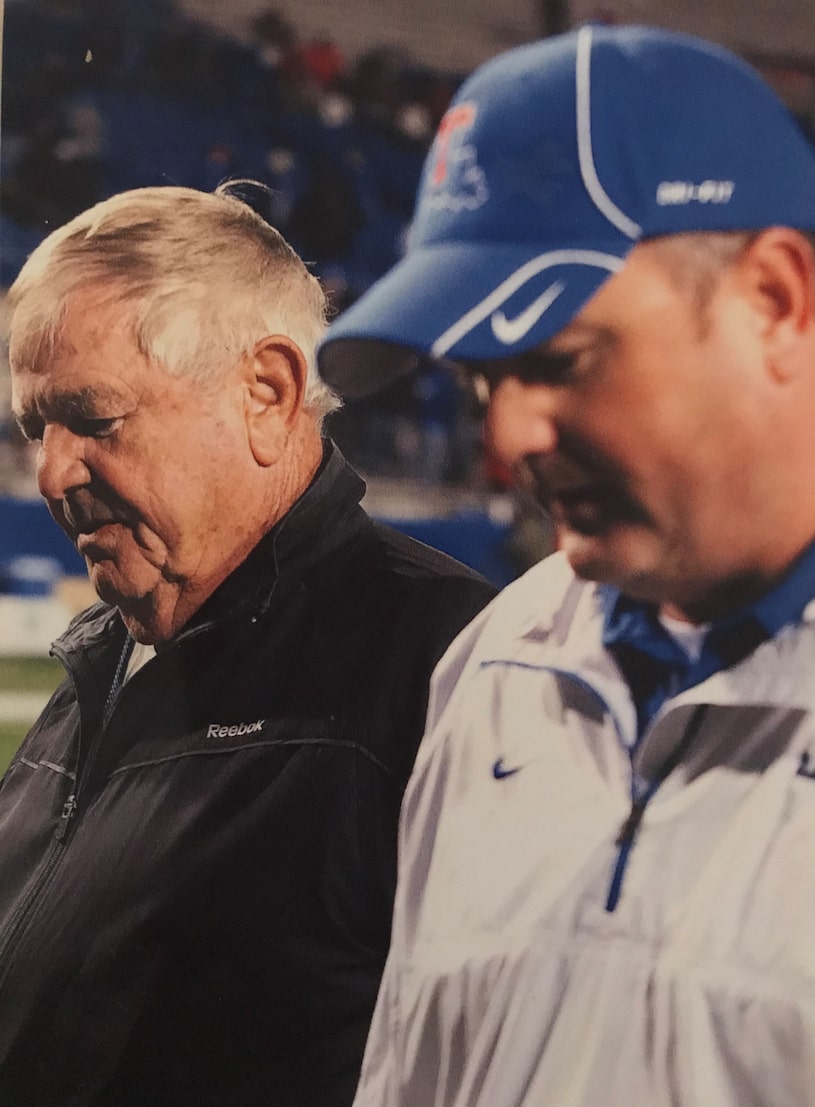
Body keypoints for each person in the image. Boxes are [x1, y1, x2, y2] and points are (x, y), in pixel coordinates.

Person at [315, 24, 815, 1107]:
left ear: (773, 299)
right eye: (479, 381)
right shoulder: (495, 659)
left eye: (558, 361)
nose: (507, 445)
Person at [0, 183, 496, 1106]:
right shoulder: (106, 659)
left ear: (267, 392)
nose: (52, 471)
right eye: (38, 426)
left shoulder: (447, 667)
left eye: (94, 419)